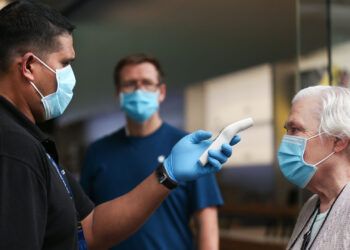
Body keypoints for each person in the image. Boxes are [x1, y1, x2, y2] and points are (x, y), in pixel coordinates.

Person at [0, 1, 240, 249]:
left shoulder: (32, 143)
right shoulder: (12, 148)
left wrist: (168, 173)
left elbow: (90, 226)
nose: (70, 76)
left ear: (161, 91)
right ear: (29, 66)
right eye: (65, 63)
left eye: (147, 83)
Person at [80, 54, 223, 250]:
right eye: (130, 84)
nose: (139, 90)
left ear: (161, 91)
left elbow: (207, 224)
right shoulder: (97, 152)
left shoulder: (187, 149)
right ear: (118, 93)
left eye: (147, 83)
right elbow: (84, 223)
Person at [277, 85, 350, 249]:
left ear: (338, 141)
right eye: (287, 130)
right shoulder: (312, 205)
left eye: (295, 129)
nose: (285, 141)